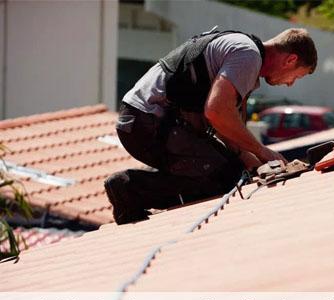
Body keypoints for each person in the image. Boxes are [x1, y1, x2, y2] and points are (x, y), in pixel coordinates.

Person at [105, 27, 317, 224]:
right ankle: (128, 188)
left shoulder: (246, 54)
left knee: (234, 170)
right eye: (296, 77)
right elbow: (216, 112)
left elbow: (227, 127)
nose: (290, 83)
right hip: (146, 123)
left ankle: (139, 187)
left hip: (150, 122)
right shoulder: (247, 55)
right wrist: (262, 151)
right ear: (291, 59)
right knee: (221, 179)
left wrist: (254, 162)